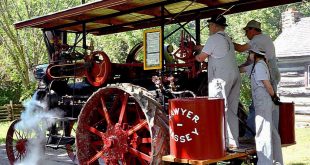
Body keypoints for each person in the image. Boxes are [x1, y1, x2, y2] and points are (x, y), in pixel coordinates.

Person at [195, 14, 241, 149]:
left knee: (218, 107)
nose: (209, 27)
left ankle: (220, 143)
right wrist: (201, 47)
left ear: (214, 26)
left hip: (220, 78)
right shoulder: (227, 39)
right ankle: (233, 141)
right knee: (232, 109)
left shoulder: (213, 38)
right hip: (234, 75)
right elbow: (216, 50)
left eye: (210, 25)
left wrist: (196, 56)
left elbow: (201, 58)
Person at [234, 20, 281, 139]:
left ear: (252, 30)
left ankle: (258, 135)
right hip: (270, 73)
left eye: (246, 31)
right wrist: (235, 68)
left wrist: (227, 41)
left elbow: (240, 48)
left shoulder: (258, 39)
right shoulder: (260, 44)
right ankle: (259, 135)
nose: (246, 34)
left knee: (263, 105)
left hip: (269, 74)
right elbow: (247, 63)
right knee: (257, 106)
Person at [239, 47, 283, 165]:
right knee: (272, 132)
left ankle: (265, 162)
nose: (249, 55)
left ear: (255, 54)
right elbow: (241, 69)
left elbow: (267, 84)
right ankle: (277, 160)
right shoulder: (257, 65)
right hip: (262, 101)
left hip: (263, 102)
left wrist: (274, 96)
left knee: (263, 133)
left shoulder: (259, 66)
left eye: (250, 53)